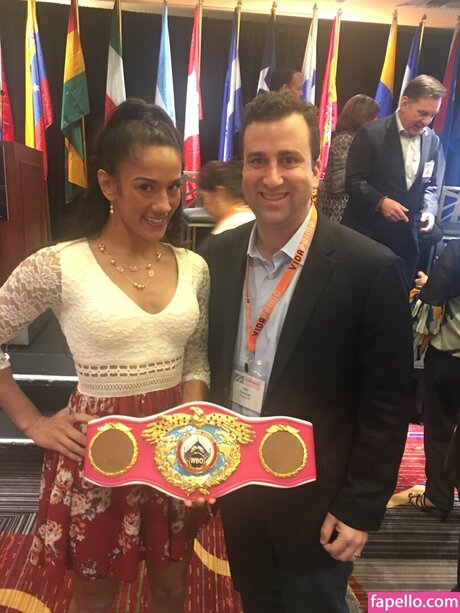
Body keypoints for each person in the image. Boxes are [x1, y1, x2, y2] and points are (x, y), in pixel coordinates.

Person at [202, 92, 413, 613]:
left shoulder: (369, 267)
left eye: (289, 159)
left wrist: (361, 504)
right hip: (240, 487)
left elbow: (388, 403)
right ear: (243, 169)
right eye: (258, 160)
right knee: (257, 600)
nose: (272, 177)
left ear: (316, 168)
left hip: (320, 501)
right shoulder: (217, 256)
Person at [0, 99, 210, 613]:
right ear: (108, 184)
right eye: (146, 187)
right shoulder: (59, 264)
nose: (164, 203)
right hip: (96, 449)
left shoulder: (194, 266)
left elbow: (195, 357)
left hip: (174, 447)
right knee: (95, 597)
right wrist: (31, 421)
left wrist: (194, 431)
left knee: (171, 587)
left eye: (173, 187)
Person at [342, 74, 446, 288]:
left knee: (394, 296)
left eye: (432, 115)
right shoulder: (371, 133)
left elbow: (430, 184)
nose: (426, 121)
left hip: (404, 240)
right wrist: (380, 202)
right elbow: (353, 181)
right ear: (405, 103)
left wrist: (429, 210)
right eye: (422, 113)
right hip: (368, 234)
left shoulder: (432, 141)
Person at [409, 241, 460, 522]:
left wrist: (426, 285)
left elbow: (430, 300)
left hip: (449, 358)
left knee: (440, 426)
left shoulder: (456, 251)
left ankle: (438, 496)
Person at [316, 95, 380, 223]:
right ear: (361, 117)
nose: (376, 121)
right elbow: (338, 182)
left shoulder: (358, 139)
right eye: (373, 117)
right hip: (337, 211)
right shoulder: (345, 140)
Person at [197, 160, 254, 235]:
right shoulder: (254, 221)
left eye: (203, 197)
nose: (204, 207)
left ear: (219, 193)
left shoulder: (224, 233)